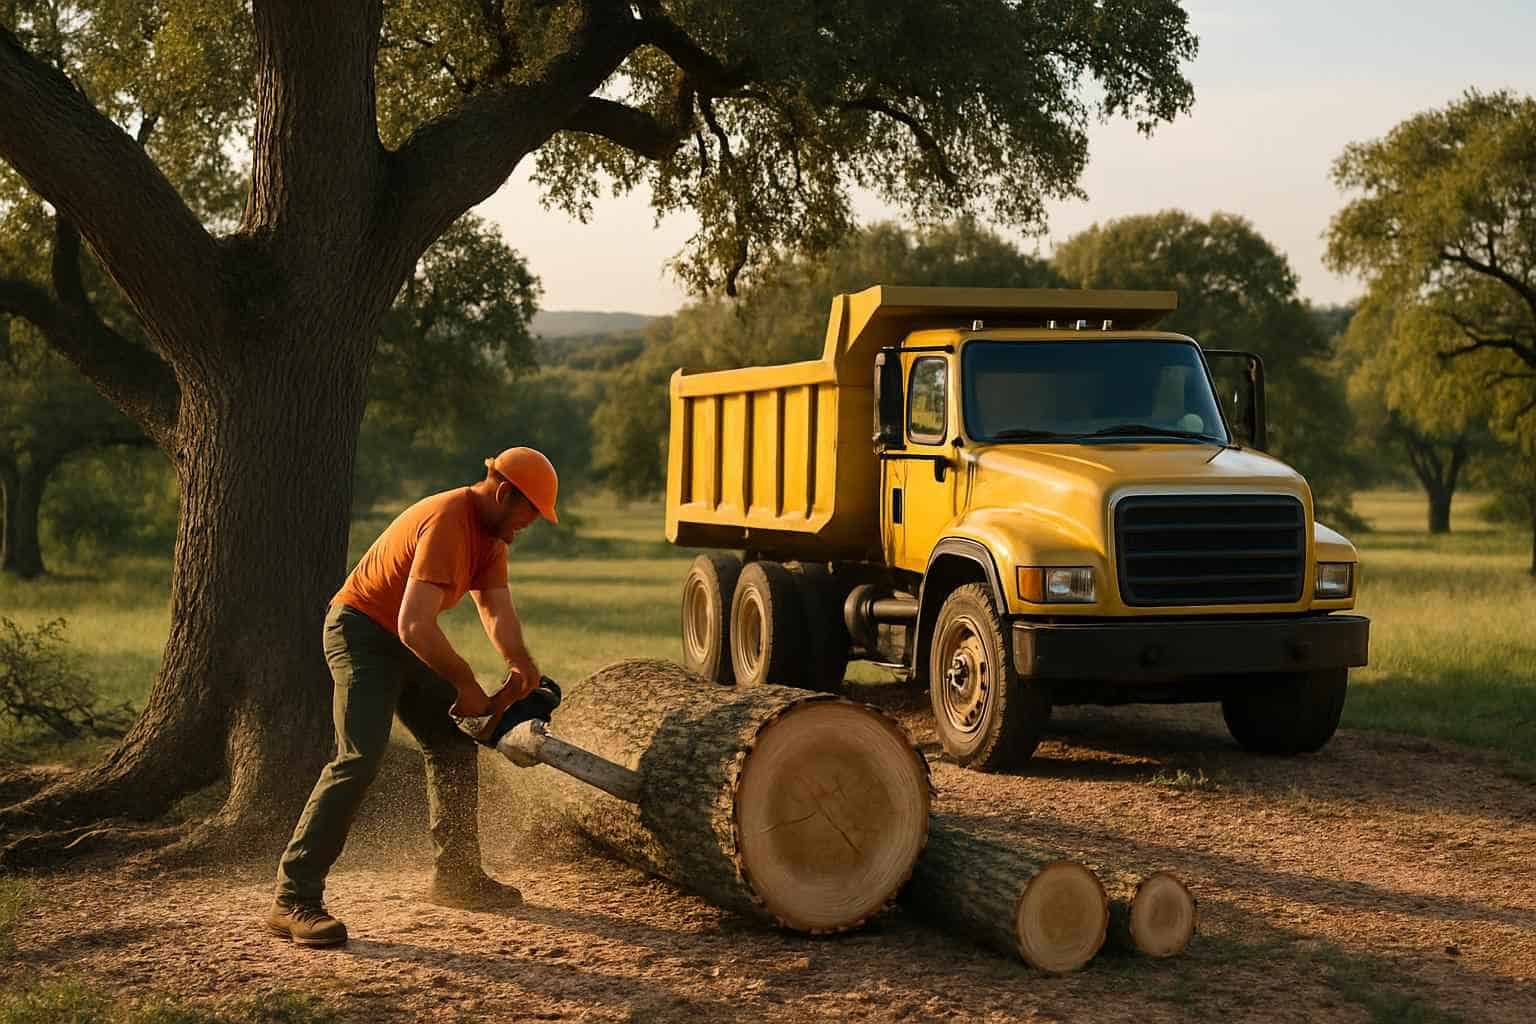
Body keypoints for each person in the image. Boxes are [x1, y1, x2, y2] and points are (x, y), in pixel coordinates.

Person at [264, 447, 558, 947]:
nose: (524, 528)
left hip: (403, 640)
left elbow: (496, 612)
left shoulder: (491, 537)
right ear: (505, 493)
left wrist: (521, 665)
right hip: (361, 634)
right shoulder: (449, 518)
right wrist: (465, 683)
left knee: (451, 744)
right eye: (527, 515)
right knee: (359, 757)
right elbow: (414, 623)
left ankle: (458, 877)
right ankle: (293, 899)